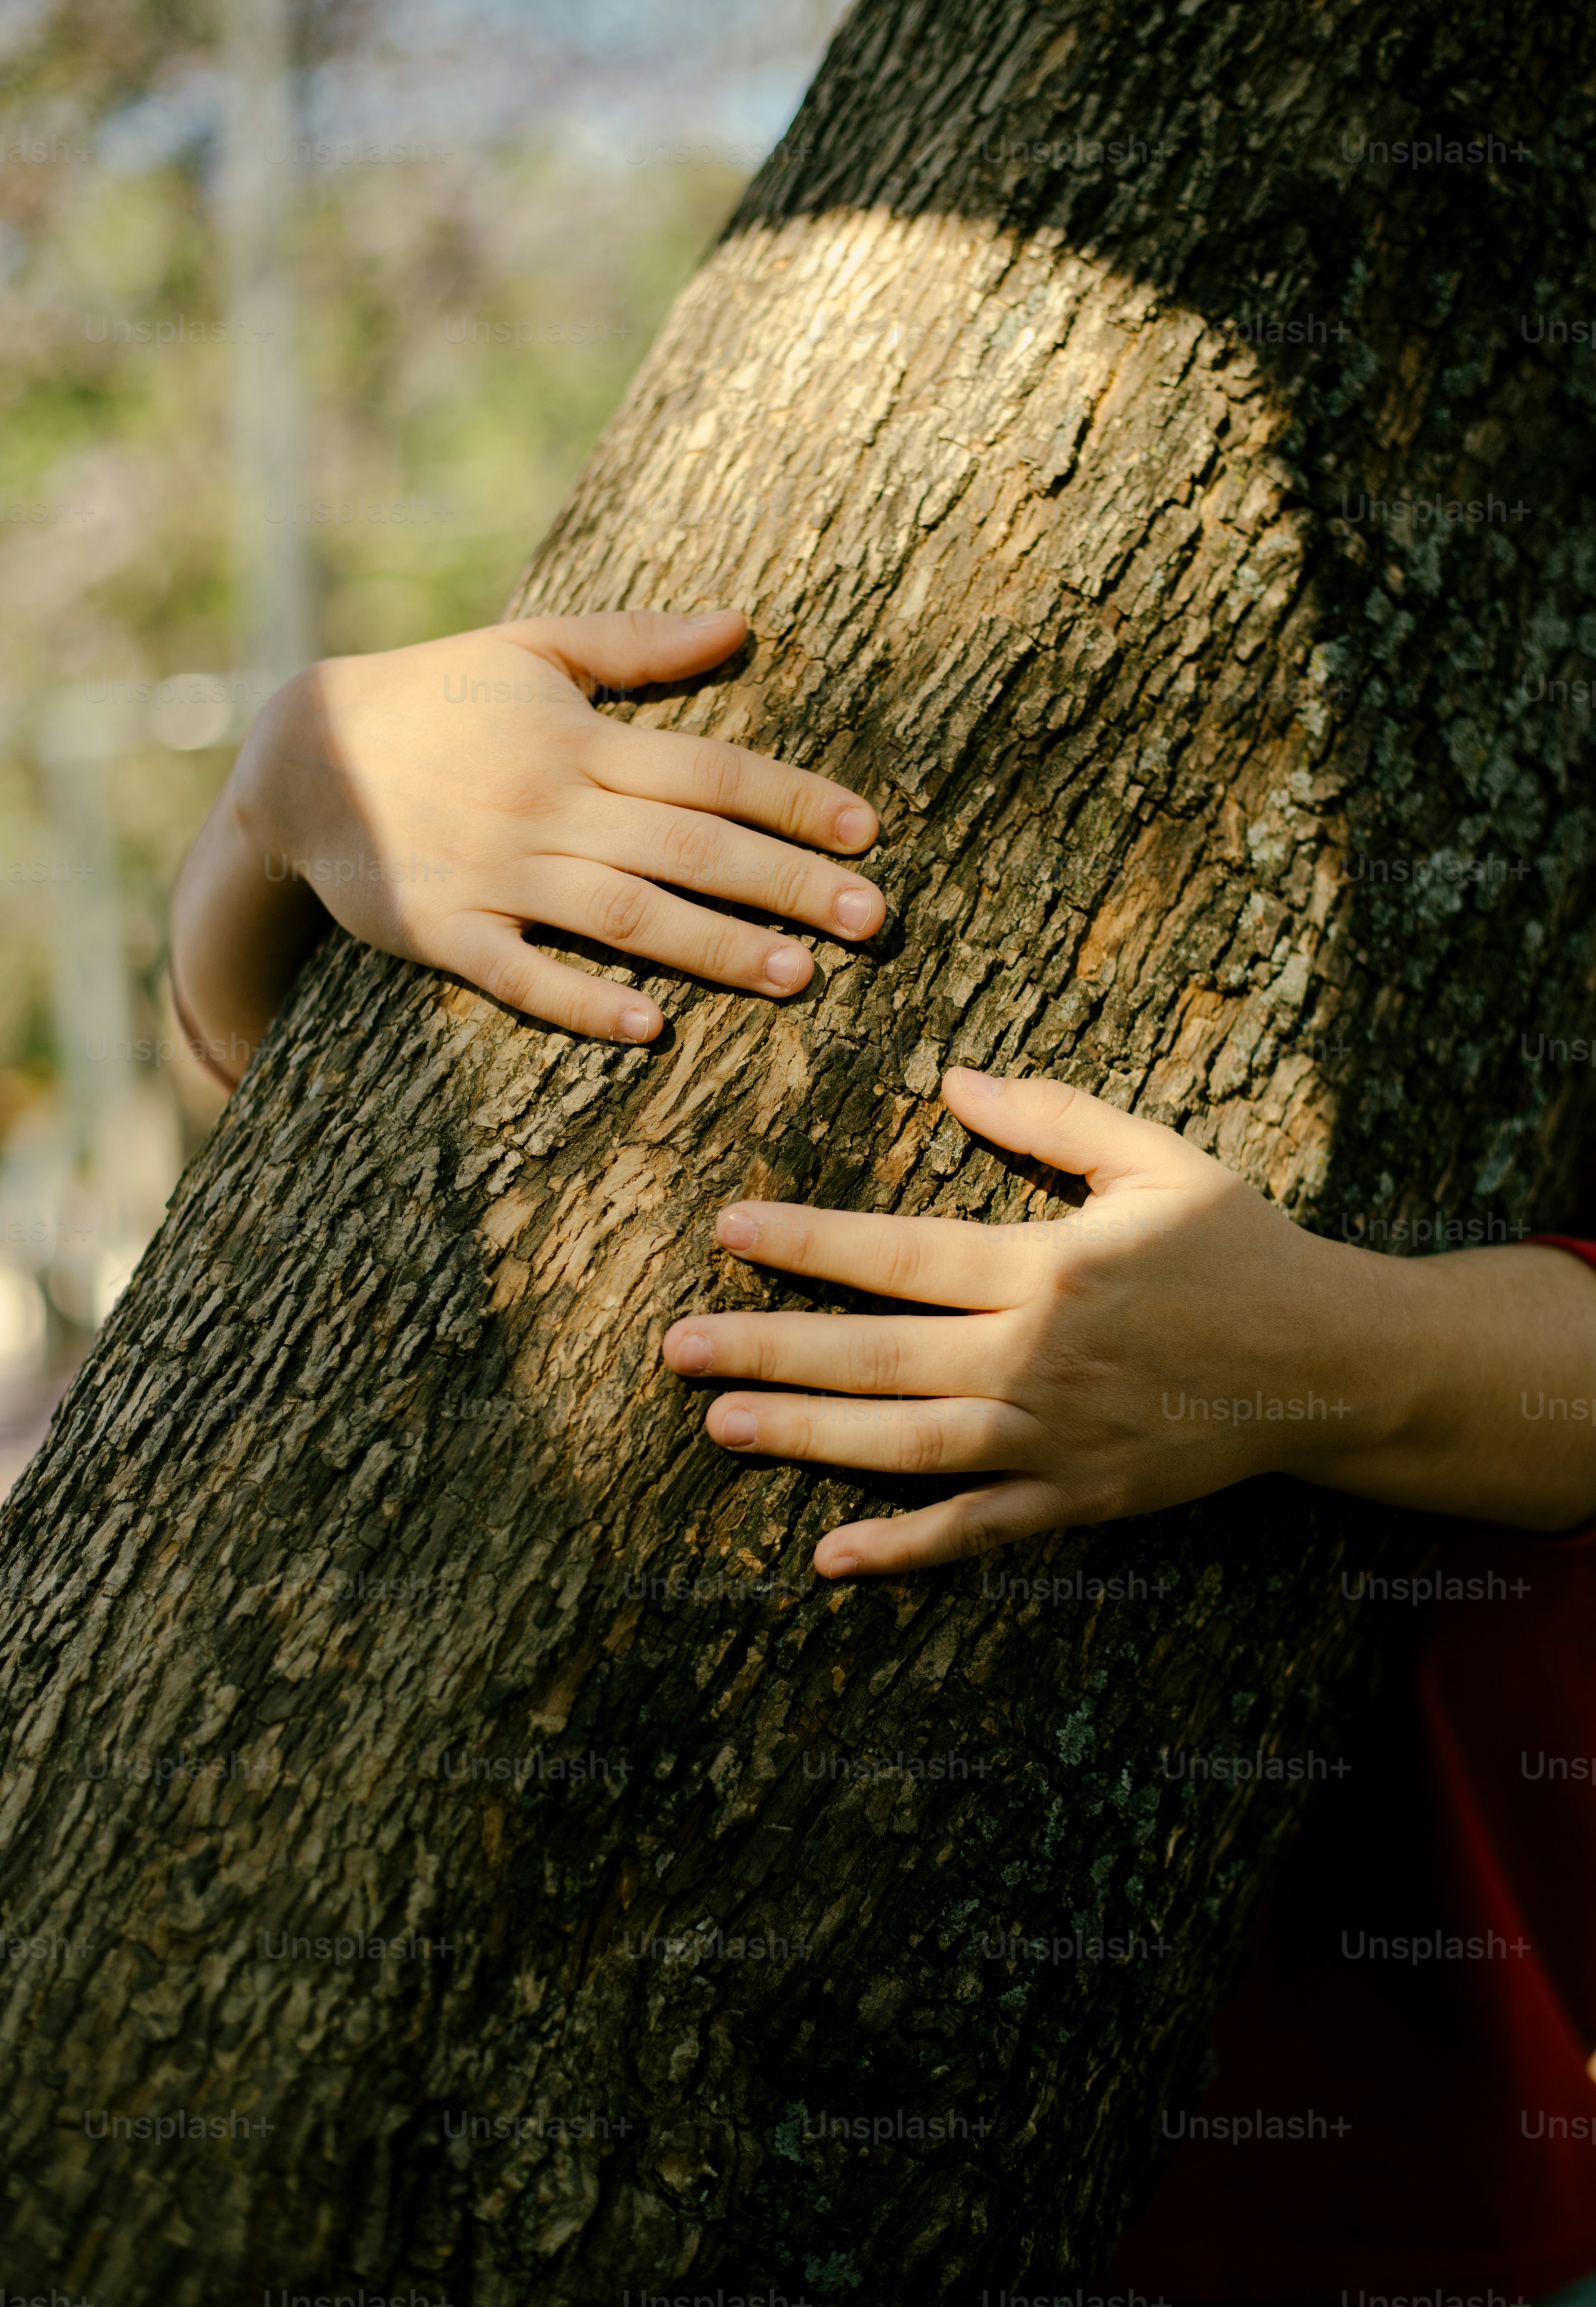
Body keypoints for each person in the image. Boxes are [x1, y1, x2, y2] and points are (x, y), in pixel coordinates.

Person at [171, 607, 1596, 2302]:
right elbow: (281, 1220)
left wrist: (1325, 1361)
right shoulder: (728, 615)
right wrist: (275, 815)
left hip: (1338, 2163)